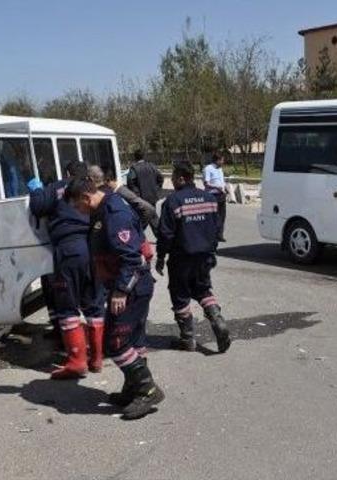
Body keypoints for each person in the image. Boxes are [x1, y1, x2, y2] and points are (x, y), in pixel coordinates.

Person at [65, 176, 164, 420]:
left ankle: (147, 389)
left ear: (86, 198)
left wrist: (121, 290)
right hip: (130, 287)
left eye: (78, 205)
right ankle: (134, 388)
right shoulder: (102, 210)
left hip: (131, 288)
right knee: (135, 339)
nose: (78, 211)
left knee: (116, 342)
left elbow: (132, 258)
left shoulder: (113, 213)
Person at [29, 162, 105, 379]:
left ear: (68, 174)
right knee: (94, 305)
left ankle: (76, 362)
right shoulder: (93, 191)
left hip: (69, 251)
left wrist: (36, 190)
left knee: (67, 306)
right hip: (93, 249)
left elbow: (38, 207)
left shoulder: (59, 187)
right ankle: (97, 359)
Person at [156, 160, 231, 353]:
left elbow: (166, 234)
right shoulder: (210, 199)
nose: (171, 181)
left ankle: (188, 339)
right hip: (205, 256)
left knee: (180, 295)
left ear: (181, 178)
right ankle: (217, 319)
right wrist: (211, 250)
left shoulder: (173, 201)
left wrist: (160, 257)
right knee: (203, 290)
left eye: (172, 177)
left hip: (181, 258)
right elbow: (216, 228)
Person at [87, 165, 159, 231]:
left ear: (108, 180)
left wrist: (137, 227)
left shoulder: (123, 193)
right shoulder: (117, 192)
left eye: (103, 182)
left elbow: (149, 209)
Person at [203, 152, 227, 242]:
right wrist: (216, 187)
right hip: (212, 195)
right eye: (222, 160)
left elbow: (221, 181)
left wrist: (224, 188)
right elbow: (206, 183)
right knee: (212, 216)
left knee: (222, 216)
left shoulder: (220, 169)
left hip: (221, 194)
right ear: (217, 160)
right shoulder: (208, 169)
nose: (223, 162)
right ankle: (211, 235)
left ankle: (219, 235)